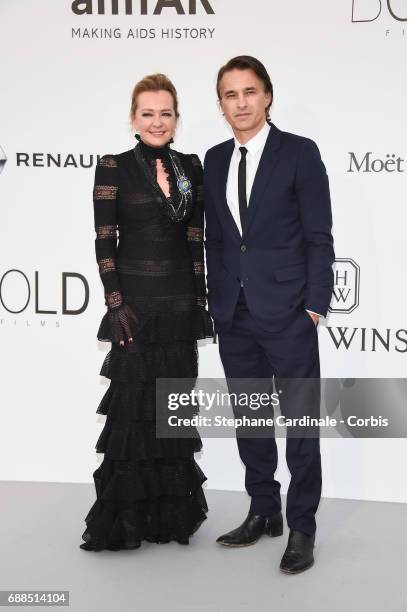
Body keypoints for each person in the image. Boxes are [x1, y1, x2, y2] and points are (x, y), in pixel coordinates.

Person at [203, 56, 334, 573]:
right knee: (250, 419)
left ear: (267, 97)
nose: (241, 103)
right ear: (221, 104)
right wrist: (214, 301)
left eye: (250, 92)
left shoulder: (300, 154)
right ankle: (263, 510)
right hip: (234, 314)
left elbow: (319, 236)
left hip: (289, 313)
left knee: (301, 424)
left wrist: (315, 306)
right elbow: (217, 237)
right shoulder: (213, 159)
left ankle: (302, 525)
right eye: (230, 95)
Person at [80, 73, 214, 551]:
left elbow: (196, 238)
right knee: (134, 413)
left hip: (178, 308)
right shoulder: (113, 167)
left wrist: (199, 300)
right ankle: (128, 517)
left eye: (166, 113)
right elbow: (104, 242)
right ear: (133, 119)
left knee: (172, 412)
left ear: (177, 119)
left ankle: (168, 516)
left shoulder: (191, 167)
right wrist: (116, 304)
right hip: (135, 308)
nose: (157, 121)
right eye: (148, 113)